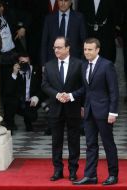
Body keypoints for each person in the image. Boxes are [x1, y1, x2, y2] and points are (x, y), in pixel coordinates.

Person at [73, 38, 119, 185]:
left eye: (90, 49)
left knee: (108, 144)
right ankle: (90, 175)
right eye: (85, 49)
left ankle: (113, 175)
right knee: (90, 144)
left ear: (97, 50)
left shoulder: (107, 65)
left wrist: (113, 112)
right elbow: (86, 89)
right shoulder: (84, 65)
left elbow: (113, 91)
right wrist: (80, 105)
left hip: (104, 112)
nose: (87, 52)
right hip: (89, 111)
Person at [42, 37, 83, 182]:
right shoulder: (49, 65)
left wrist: (72, 96)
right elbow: (45, 85)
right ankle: (57, 170)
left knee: (74, 140)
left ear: (67, 48)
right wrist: (57, 94)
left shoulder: (78, 64)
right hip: (56, 108)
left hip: (73, 107)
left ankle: (73, 171)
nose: (56, 50)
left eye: (59, 47)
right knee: (56, 141)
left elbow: (84, 86)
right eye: (54, 48)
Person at [3, 52, 42, 133]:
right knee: (9, 101)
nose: (25, 65)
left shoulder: (36, 71)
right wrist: (14, 74)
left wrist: (36, 97)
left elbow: (42, 87)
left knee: (32, 116)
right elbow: (8, 90)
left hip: (30, 101)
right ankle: (10, 124)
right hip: (17, 101)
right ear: (18, 63)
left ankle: (28, 122)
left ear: (30, 62)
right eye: (22, 62)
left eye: (27, 62)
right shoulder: (13, 71)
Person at [41, 0, 87, 68]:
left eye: (65, 0)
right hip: (52, 61)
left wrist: (82, 62)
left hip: (74, 61)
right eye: (60, 0)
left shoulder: (79, 17)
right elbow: (44, 42)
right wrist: (43, 64)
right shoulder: (49, 18)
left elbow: (84, 41)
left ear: (71, 2)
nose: (62, 3)